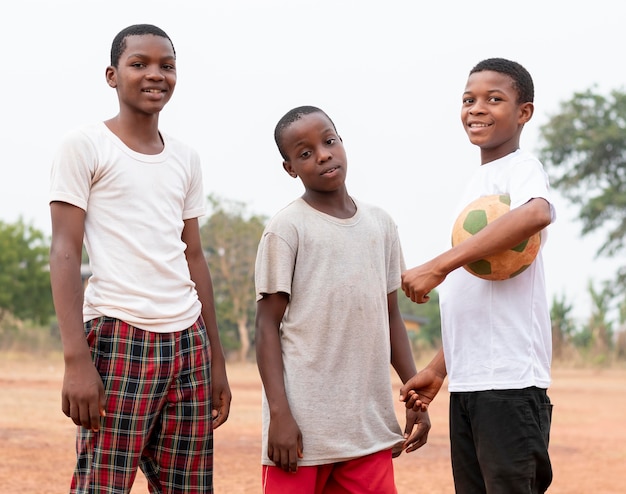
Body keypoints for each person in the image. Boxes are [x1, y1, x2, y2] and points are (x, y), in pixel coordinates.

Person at [49, 24, 231, 493]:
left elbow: (194, 256)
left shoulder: (185, 158)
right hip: (119, 334)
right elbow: (65, 251)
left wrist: (215, 359)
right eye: (139, 64)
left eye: (167, 66)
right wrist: (76, 359)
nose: (156, 75)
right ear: (112, 76)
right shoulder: (85, 146)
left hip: (188, 342)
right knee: (102, 486)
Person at [254, 105, 431, 493]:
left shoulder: (380, 224)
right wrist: (279, 416)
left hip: (367, 429)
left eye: (329, 141)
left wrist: (415, 393)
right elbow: (266, 326)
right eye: (305, 153)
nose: (322, 155)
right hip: (300, 434)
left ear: (341, 142)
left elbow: (390, 317)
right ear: (290, 169)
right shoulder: (287, 228)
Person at [399, 58, 555, 494]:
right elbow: (476, 300)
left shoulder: (522, 169)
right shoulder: (476, 185)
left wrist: (439, 265)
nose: (477, 108)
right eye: (468, 100)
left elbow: (538, 212)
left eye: (494, 99)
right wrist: (438, 369)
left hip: (510, 384)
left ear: (524, 112)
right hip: (471, 382)